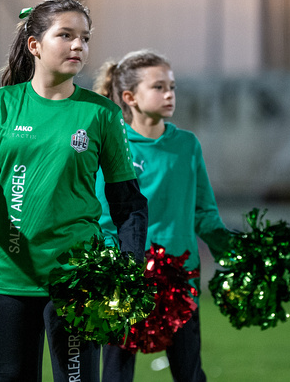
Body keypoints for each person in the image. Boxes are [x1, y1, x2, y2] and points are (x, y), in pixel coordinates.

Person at [0, 0, 148, 382]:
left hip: (78, 278)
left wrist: (128, 266)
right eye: (66, 35)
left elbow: (129, 204)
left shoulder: (101, 113)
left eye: (85, 38)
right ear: (34, 45)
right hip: (8, 275)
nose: (78, 46)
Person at [94, 50, 230, 382]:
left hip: (180, 277)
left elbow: (204, 214)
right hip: (127, 276)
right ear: (130, 97)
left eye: (172, 86)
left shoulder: (187, 145)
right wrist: (119, 265)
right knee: (115, 372)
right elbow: (104, 217)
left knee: (189, 373)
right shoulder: (112, 143)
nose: (169, 94)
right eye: (158, 87)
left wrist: (240, 251)